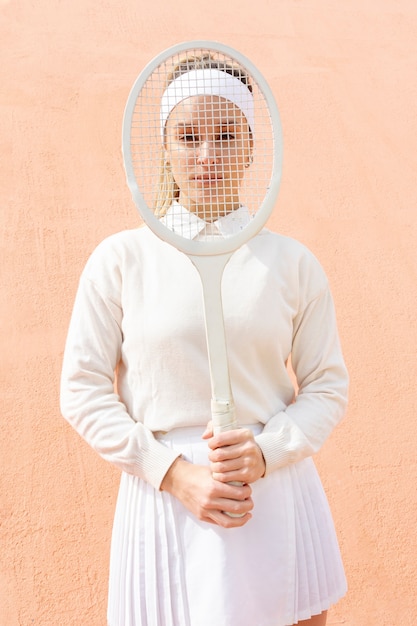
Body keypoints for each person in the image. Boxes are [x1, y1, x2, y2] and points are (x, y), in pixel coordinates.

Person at [60, 53, 349, 626]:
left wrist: (266, 454)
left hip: (274, 491)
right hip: (166, 499)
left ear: (249, 144)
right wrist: (172, 473)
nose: (208, 154)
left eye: (225, 135)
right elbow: (83, 391)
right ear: (164, 146)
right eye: (188, 136)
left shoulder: (292, 263)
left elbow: (327, 386)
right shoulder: (121, 259)